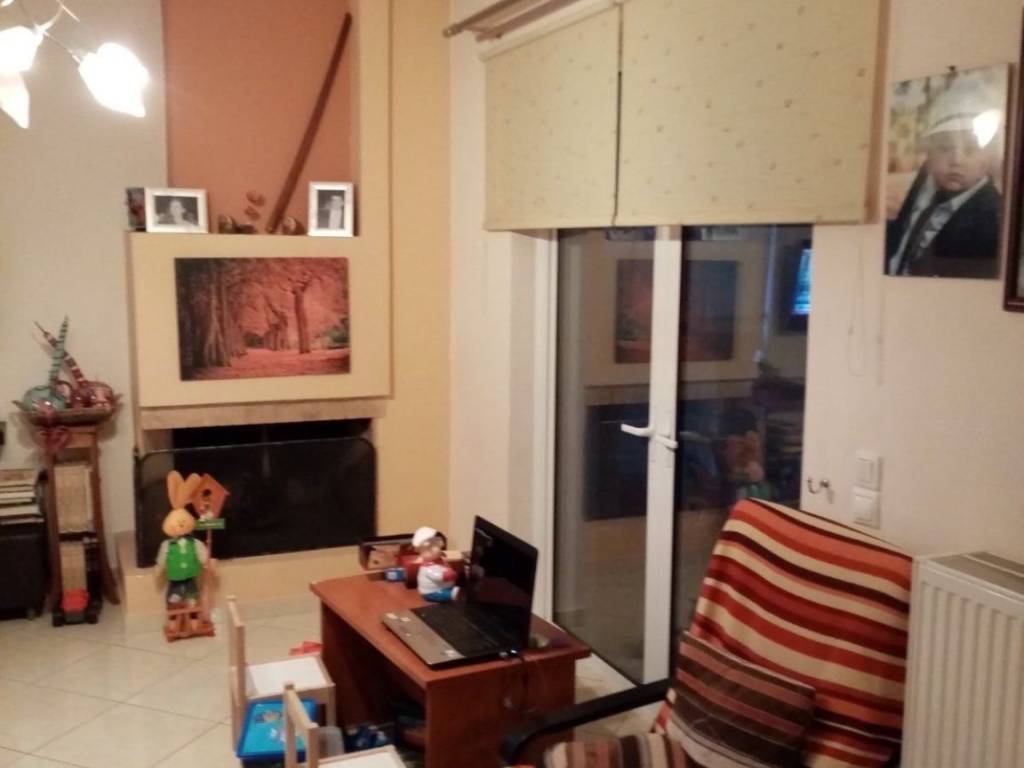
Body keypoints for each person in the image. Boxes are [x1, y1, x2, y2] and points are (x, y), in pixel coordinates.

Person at [885, 78, 1002, 278]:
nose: (956, 160)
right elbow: (901, 238)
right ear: (929, 155)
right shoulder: (925, 185)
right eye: (944, 148)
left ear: (986, 159)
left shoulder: (992, 216)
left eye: (970, 150)